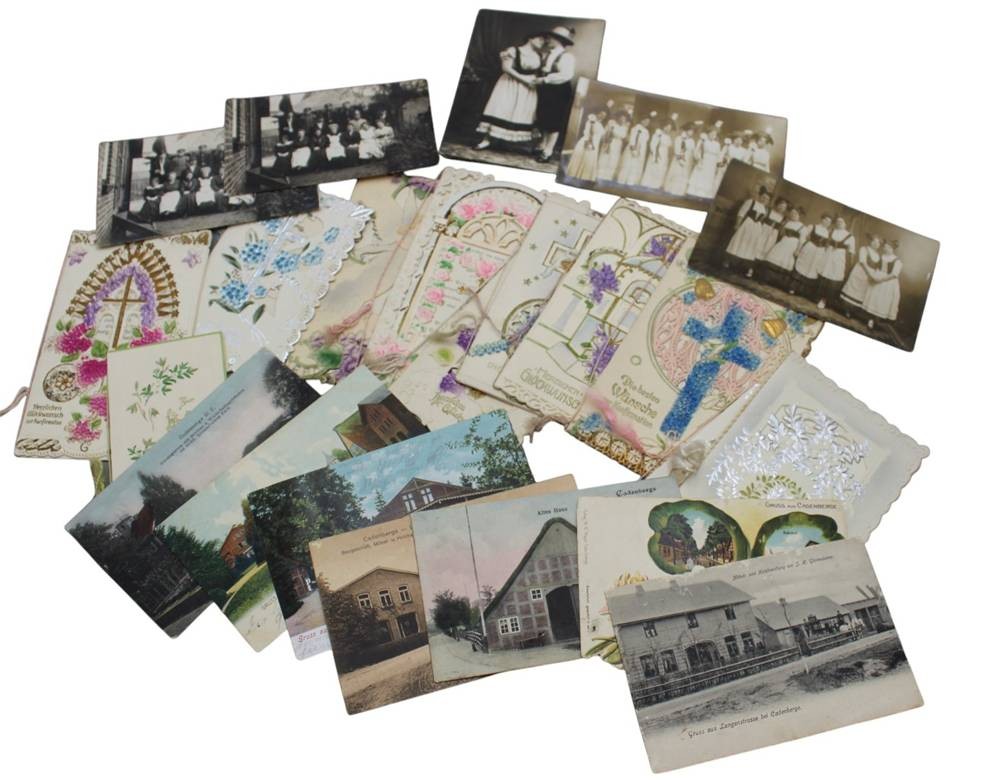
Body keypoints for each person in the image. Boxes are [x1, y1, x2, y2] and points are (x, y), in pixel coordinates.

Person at [474, 34, 545, 151]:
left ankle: (507, 142)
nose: (542, 42)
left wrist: (535, 80)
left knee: (521, 112)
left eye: (544, 40)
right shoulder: (513, 51)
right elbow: (506, 68)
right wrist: (524, 80)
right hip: (509, 84)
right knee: (501, 109)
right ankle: (486, 140)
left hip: (527, 89)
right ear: (531, 38)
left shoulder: (539, 55)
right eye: (540, 39)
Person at [535, 26, 577, 163]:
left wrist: (545, 79)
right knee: (544, 118)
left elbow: (566, 75)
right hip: (546, 89)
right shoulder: (547, 54)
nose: (548, 40)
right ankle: (542, 145)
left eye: (551, 38)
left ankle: (548, 151)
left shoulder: (567, 57)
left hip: (559, 90)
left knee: (554, 121)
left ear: (558, 40)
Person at [725, 186, 770, 272]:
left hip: (756, 228)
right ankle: (729, 262)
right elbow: (741, 213)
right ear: (760, 196)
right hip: (746, 224)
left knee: (749, 246)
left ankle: (740, 266)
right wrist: (737, 224)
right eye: (763, 197)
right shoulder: (751, 202)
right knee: (739, 242)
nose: (765, 200)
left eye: (767, 199)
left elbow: (762, 220)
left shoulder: (765, 209)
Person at [816, 216, 855, 308]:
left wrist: (850, 265)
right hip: (828, 255)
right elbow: (825, 243)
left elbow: (851, 251)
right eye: (837, 221)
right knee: (823, 274)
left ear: (845, 224)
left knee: (833, 278)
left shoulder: (850, 236)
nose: (839, 223)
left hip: (839, 257)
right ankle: (817, 297)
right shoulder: (831, 231)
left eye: (841, 221)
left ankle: (825, 300)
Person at [762, 205, 806, 285]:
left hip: (793, 245)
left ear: (799, 215)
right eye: (792, 213)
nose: (793, 215)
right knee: (775, 255)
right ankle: (766, 279)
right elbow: (781, 233)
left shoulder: (802, 227)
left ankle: (777, 282)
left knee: (785, 260)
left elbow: (801, 241)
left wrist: (797, 250)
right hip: (784, 241)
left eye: (795, 213)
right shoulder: (787, 222)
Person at [862, 239, 902, 326]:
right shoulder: (882, 256)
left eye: (888, 247)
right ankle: (870, 319)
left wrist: (880, 280)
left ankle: (877, 321)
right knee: (874, 298)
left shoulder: (897, 261)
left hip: (888, 282)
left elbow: (894, 275)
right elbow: (876, 267)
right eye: (885, 247)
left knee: (883, 300)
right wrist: (873, 276)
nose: (885, 249)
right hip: (877, 277)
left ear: (892, 248)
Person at [792, 213, 833, 298]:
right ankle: (793, 288)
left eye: (829, 222)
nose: (827, 222)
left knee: (812, 269)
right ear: (822, 219)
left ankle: (803, 292)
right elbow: (803, 237)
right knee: (802, 266)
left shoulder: (828, 233)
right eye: (826, 220)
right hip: (810, 248)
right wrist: (799, 249)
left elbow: (827, 246)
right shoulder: (812, 226)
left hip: (819, 252)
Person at [840, 234, 883, 315]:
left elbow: (877, 268)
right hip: (860, 271)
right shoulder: (864, 249)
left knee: (861, 292)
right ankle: (845, 309)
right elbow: (863, 263)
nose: (876, 244)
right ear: (871, 241)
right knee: (852, 289)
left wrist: (874, 276)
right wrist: (870, 274)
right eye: (874, 241)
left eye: (878, 243)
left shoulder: (878, 256)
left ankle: (852, 311)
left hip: (868, 276)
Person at [687, 122, 724, 198]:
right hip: (704, 161)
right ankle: (693, 193)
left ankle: (703, 195)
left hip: (712, 164)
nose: (713, 135)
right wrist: (699, 159)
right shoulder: (703, 141)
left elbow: (719, 155)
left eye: (715, 134)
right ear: (708, 133)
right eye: (711, 133)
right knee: (700, 176)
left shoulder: (717, 144)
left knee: (708, 178)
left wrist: (718, 164)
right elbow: (697, 151)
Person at [565, 112, 604, 180]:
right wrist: (589, 141)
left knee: (589, 161)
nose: (602, 116)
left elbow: (600, 136)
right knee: (583, 157)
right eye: (601, 114)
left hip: (595, 143)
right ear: (598, 113)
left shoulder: (600, 125)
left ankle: (584, 176)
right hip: (588, 141)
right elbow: (587, 132)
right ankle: (575, 174)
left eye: (604, 115)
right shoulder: (591, 121)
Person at [617, 113, 651, 185]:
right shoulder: (635, 128)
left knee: (635, 167)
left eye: (648, 122)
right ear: (642, 120)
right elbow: (632, 139)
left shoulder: (646, 131)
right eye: (645, 121)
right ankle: (621, 181)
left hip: (640, 151)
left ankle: (630, 182)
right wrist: (633, 149)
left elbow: (644, 142)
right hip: (632, 149)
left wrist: (640, 151)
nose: (646, 123)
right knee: (627, 165)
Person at [663, 122, 695, 195]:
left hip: (687, 160)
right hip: (678, 159)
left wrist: (690, 161)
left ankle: (680, 191)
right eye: (690, 130)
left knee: (683, 175)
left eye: (693, 131)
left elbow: (692, 152)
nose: (691, 132)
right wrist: (680, 160)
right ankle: (671, 189)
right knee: (676, 173)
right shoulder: (679, 138)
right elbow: (677, 151)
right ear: (686, 130)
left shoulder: (692, 141)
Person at [639, 118, 671, 188]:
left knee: (660, 169)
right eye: (667, 127)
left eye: (669, 128)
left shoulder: (668, 137)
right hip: (656, 153)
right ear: (663, 126)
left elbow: (668, 145)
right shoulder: (658, 133)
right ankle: (647, 183)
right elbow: (653, 144)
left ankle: (656, 184)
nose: (668, 129)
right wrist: (654, 153)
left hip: (664, 154)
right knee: (653, 168)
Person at [596, 111, 628, 180]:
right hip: (608, 142)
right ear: (618, 117)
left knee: (613, 161)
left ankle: (608, 177)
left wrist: (614, 132)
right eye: (621, 118)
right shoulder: (611, 123)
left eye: (624, 119)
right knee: (604, 159)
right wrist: (606, 137)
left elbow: (623, 135)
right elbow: (605, 132)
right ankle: (599, 175)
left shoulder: (624, 127)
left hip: (617, 145)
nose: (622, 120)